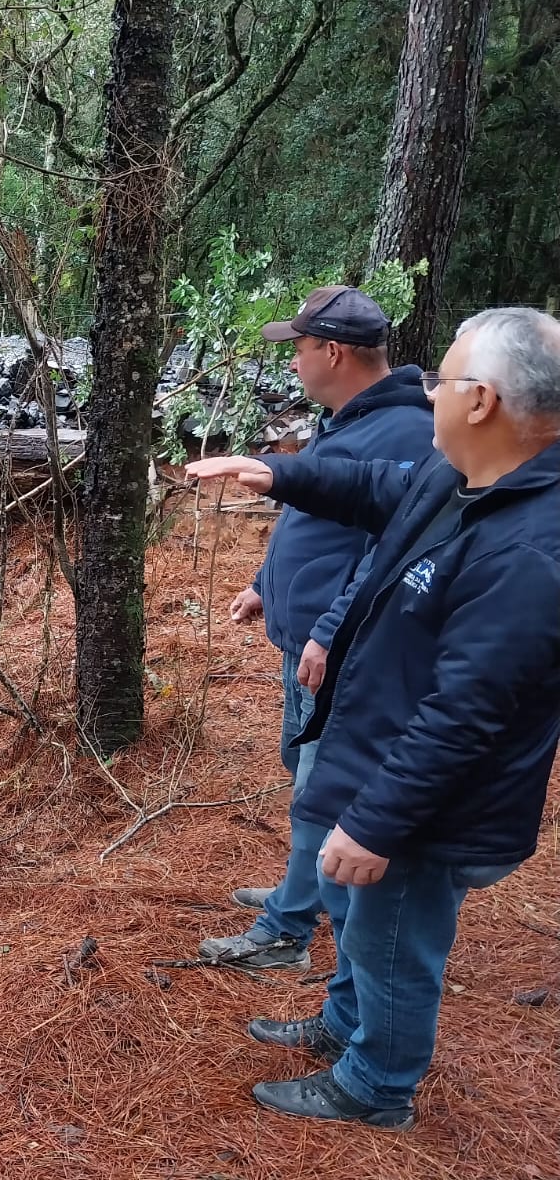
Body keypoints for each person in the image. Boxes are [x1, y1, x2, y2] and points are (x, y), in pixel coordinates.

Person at [186, 306, 560, 1128]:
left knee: (394, 942)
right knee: (362, 925)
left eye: (443, 380)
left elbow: (465, 716)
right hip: (383, 760)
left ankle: (376, 1087)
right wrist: (276, 473)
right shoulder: (461, 478)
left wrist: (378, 823)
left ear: (483, 401)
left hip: (431, 805)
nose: (427, 394)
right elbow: (376, 490)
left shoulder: (529, 550)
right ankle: (345, 1024)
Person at [200, 285, 433, 969]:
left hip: (340, 652)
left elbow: (387, 553)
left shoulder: (406, 432)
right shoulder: (348, 418)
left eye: (299, 347)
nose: (293, 362)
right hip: (306, 642)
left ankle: (287, 931)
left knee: (319, 788)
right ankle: (303, 889)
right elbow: (318, 516)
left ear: (333, 352)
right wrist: (264, 584)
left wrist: (331, 631)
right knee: (304, 773)